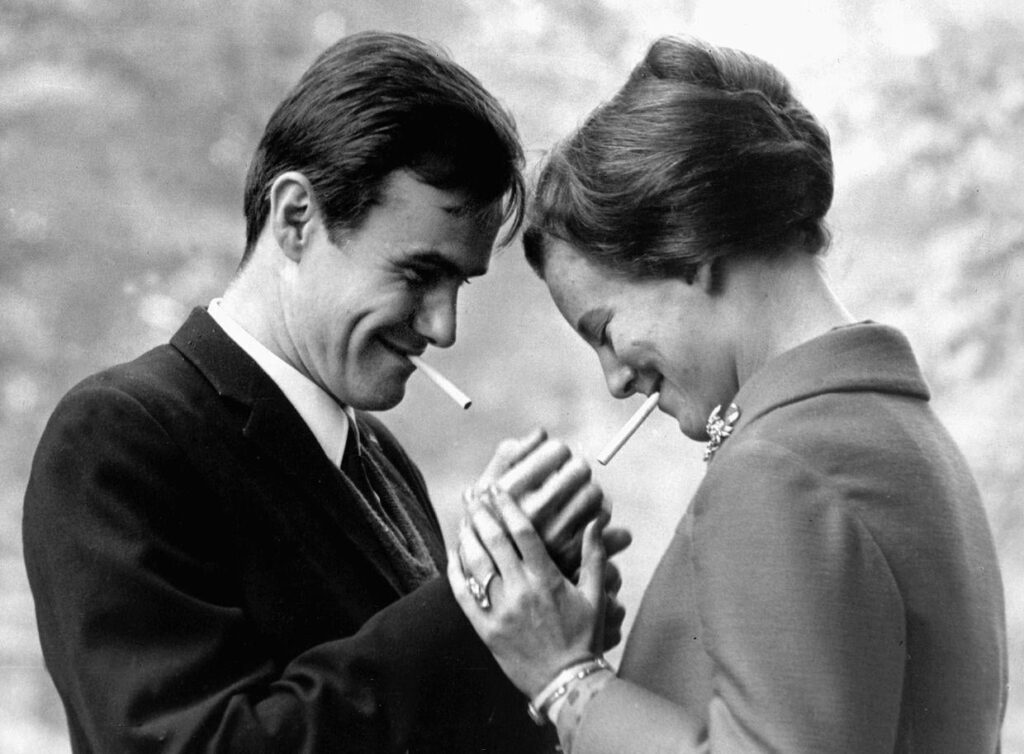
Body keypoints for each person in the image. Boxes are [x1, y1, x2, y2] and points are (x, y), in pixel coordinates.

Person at [22, 31, 624, 752]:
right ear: (296, 218)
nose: (444, 327)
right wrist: (474, 604)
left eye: (459, 284)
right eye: (418, 274)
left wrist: (545, 655)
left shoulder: (383, 461)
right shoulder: (119, 438)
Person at [448, 35, 1008, 753]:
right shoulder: (900, 434)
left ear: (692, 247)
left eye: (605, 330)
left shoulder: (780, 468)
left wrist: (563, 677)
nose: (616, 380)